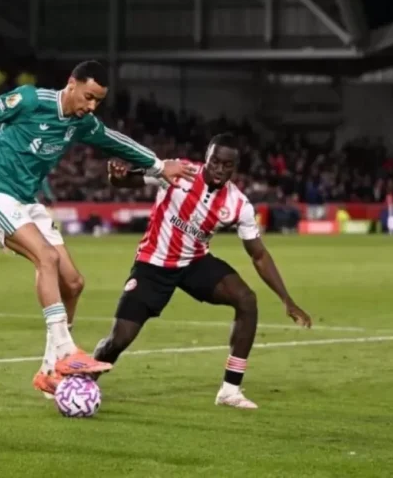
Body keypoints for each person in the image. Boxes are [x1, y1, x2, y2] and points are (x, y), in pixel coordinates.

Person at [0, 60, 195, 395]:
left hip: (26, 201)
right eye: (88, 97)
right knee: (46, 257)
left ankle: (49, 372)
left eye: (98, 101)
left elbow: (115, 141)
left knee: (73, 283)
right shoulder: (32, 100)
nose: (91, 106)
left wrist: (159, 165)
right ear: (71, 84)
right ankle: (65, 349)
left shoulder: (82, 123)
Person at [93, 133, 312, 409]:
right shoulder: (179, 172)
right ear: (206, 158)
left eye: (227, 165)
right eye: (215, 162)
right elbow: (126, 181)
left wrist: (286, 299)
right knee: (119, 339)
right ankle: (85, 379)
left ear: (235, 168)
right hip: (153, 263)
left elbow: (258, 255)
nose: (219, 169)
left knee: (246, 299)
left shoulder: (238, 204)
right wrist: (117, 175)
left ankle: (230, 390)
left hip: (194, 263)